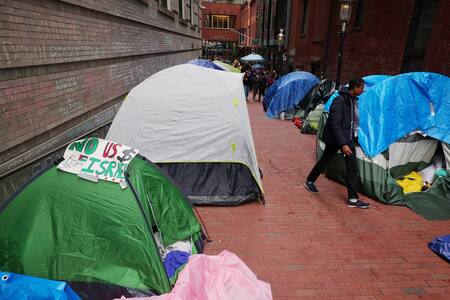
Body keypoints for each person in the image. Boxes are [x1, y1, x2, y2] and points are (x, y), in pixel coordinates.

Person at [304, 78, 370, 209]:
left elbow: (351, 122)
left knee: (352, 167)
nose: (363, 90)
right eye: (361, 88)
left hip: (347, 138)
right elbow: (335, 124)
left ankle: (352, 199)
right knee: (325, 161)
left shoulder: (352, 100)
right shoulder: (339, 101)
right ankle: (310, 180)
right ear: (354, 87)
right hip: (338, 139)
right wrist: (343, 144)